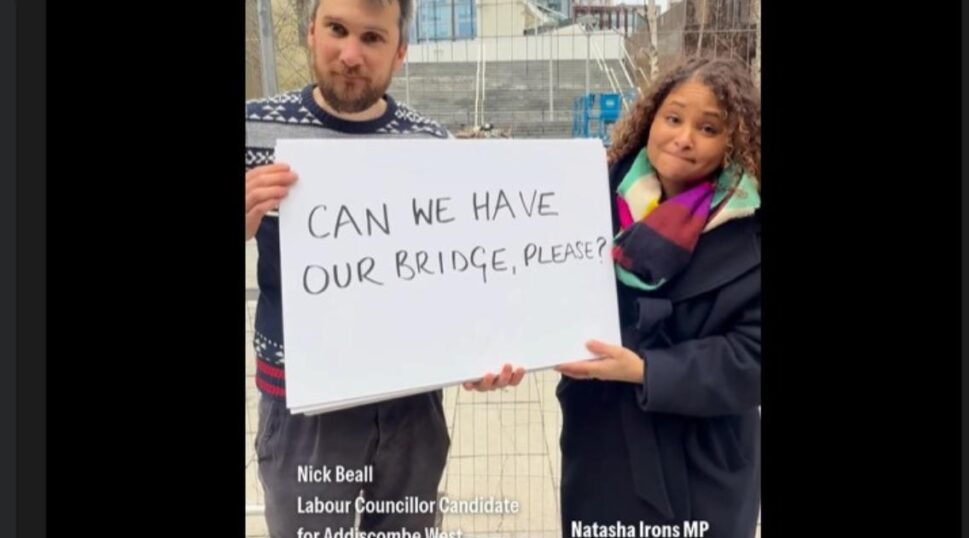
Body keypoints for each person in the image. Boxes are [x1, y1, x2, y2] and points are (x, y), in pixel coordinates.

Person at [244, 1, 521, 536]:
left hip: (410, 405)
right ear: (311, 33)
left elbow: (458, 275)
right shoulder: (257, 131)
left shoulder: (432, 146)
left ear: (399, 51)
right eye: (337, 30)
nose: (350, 55)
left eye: (371, 38)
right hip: (305, 406)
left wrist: (487, 348)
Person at [554, 57, 762, 538]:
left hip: (702, 461)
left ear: (733, 140)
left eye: (708, 127)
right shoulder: (586, 200)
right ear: (651, 119)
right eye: (673, 118)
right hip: (603, 441)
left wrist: (648, 370)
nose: (683, 137)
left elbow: (752, 356)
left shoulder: (751, 228)